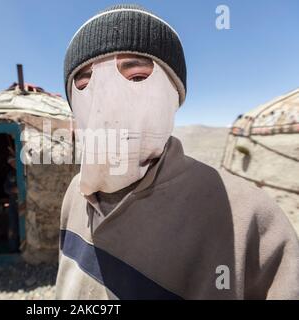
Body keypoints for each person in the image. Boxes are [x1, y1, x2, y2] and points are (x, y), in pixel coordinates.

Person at [56, 4, 299, 299]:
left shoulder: (250, 218)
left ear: (175, 93)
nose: (108, 106)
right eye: (84, 84)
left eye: (136, 78)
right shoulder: (73, 195)